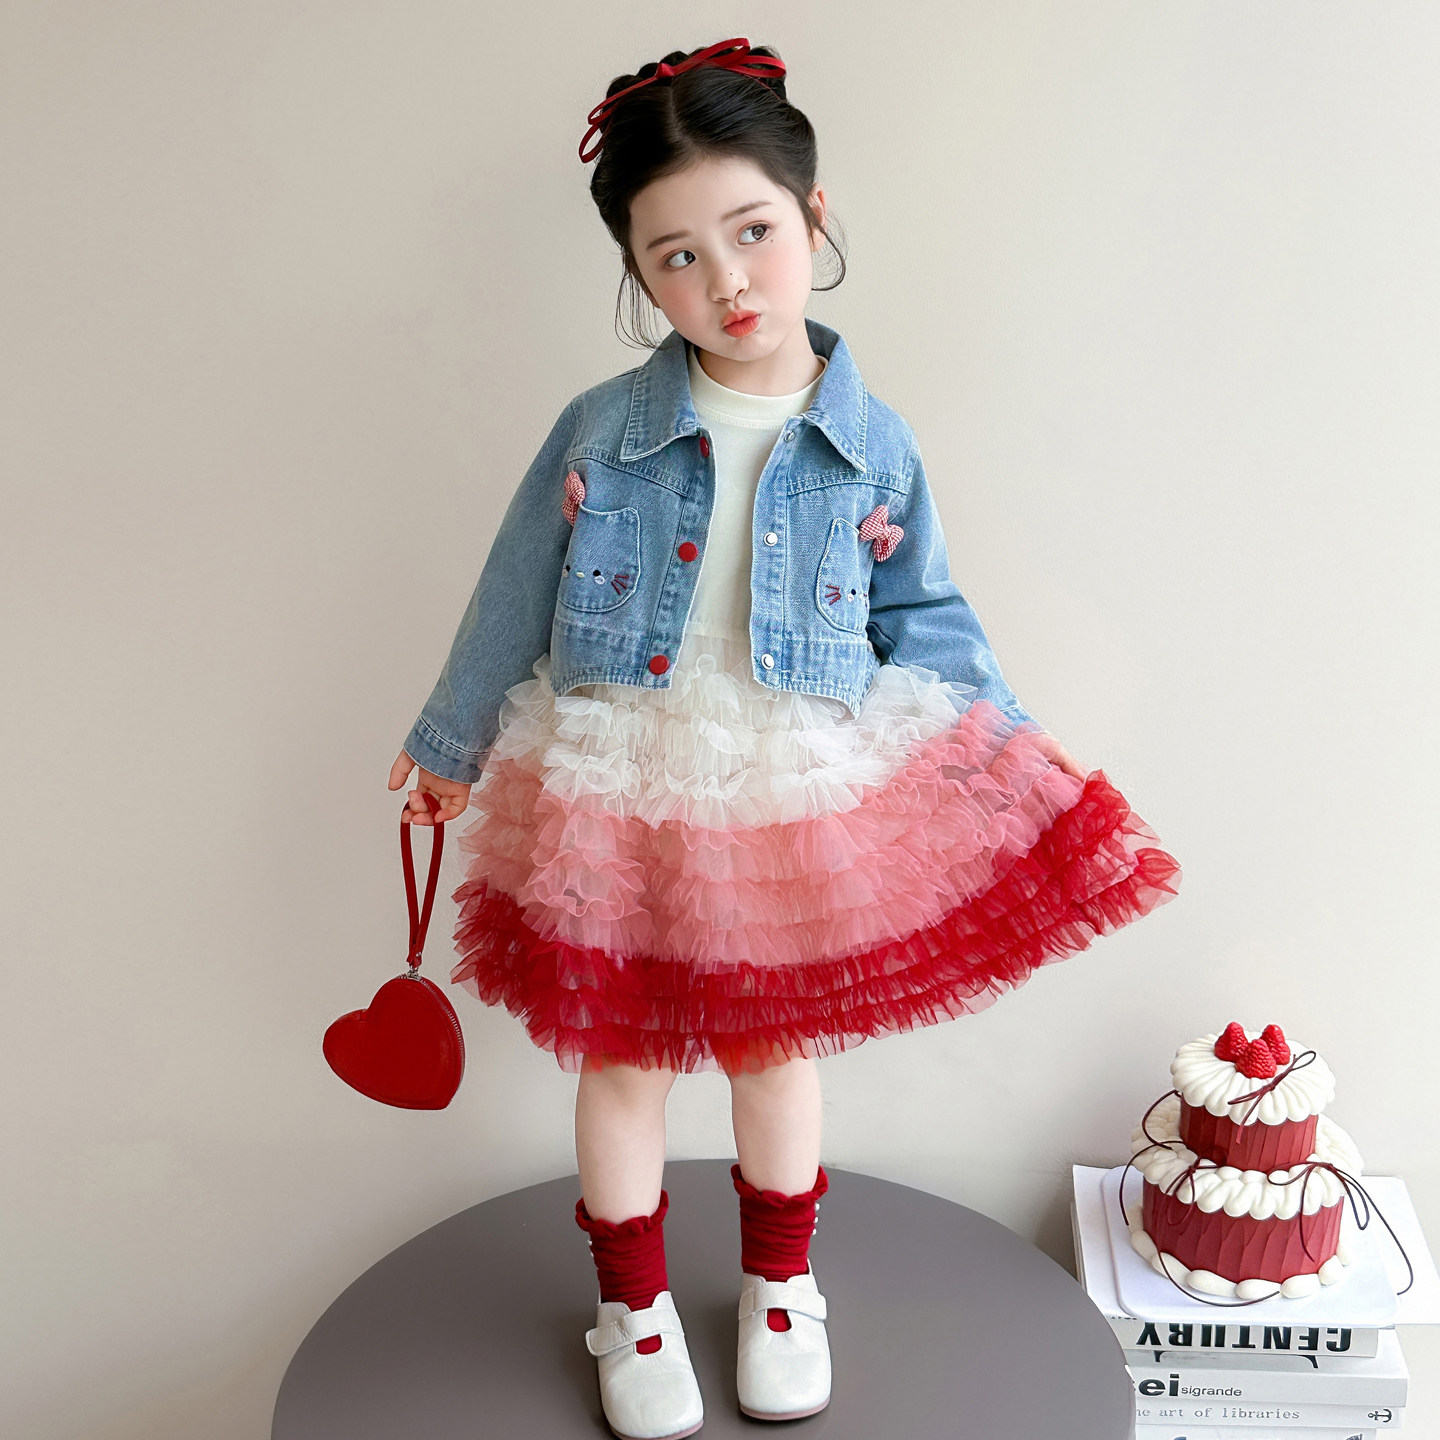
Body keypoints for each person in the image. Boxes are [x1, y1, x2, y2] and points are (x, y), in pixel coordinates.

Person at [388, 37, 1180, 1440]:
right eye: (678, 257)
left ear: (813, 217)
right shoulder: (600, 429)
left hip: (784, 778)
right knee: (623, 1054)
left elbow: (924, 612)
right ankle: (633, 1309)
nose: (728, 281)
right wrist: (449, 738)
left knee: (771, 1045)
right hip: (621, 770)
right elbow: (514, 583)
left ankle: (779, 1287)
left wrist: (1012, 745)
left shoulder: (873, 442)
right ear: (640, 277)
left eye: (752, 232)